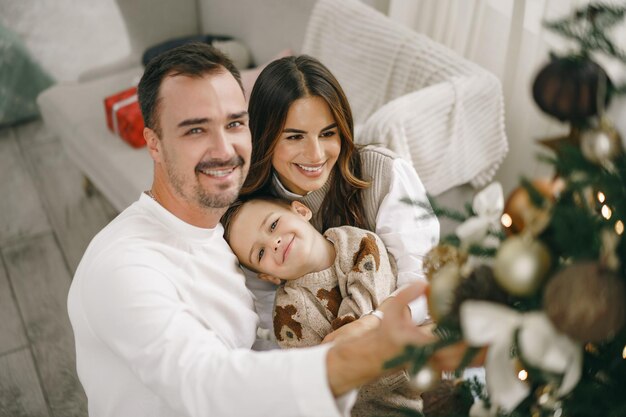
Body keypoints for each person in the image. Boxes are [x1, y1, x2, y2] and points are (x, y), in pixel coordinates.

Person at [66, 43, 437, 417]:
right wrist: (353, 352)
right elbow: (207, 384)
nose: (223, 148)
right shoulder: (122, 265)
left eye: (233, 124)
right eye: (195, 129)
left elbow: (265, 349)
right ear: (154, 143)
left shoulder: (224, 233)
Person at [241, 55, 440, 341]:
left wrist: (366, 327)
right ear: (265, 138)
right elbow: (263, 310)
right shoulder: (249, 213)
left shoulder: (383, 173)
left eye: (327, 133)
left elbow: (423, 280)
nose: (316, 155)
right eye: (295, 137)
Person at [222, 196, 424, 417]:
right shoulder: (288, 316)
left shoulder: (360, 243)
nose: (273, 243)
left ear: (301, 211)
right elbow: (324, 378)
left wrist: (349, 345)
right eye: (260, 253)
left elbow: (367, 316)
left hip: (421, 383)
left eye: (273, 225)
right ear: (268, 276)